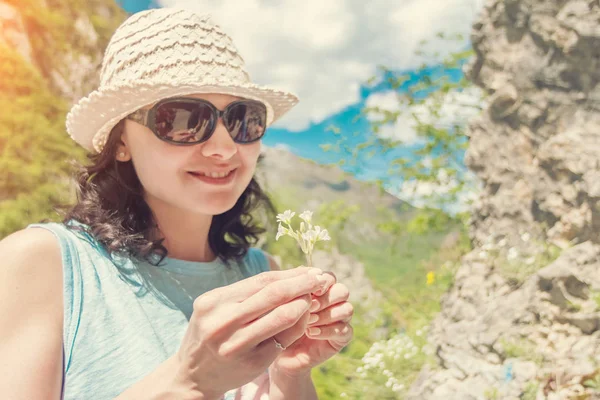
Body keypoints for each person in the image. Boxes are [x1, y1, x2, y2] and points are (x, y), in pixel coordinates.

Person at [0, 7, 354, 400]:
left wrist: (290, 376)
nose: (224, 147)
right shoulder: (41, 264)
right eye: (183, 119)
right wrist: (187, 382)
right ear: (121, 142)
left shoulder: (260, 272)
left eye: (243, 120)